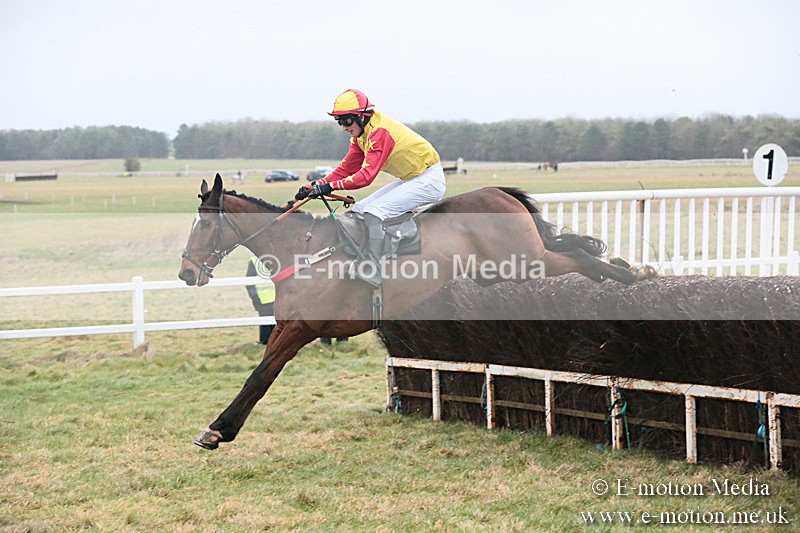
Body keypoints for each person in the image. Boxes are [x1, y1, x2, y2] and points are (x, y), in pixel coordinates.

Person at [295, 88, 446, 287]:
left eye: (346, 120)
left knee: (373, 211)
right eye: (339, 121)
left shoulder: (379, 133)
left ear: (361, 116)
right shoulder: (360, 136)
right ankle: (363, 258)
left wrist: (329, 186)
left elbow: (365, 177)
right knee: (358, 210)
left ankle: (373, 269)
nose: (343, 127)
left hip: (429, 180)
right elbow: (346, 168)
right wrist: (317, 185)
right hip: (411, 178)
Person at [245, 256, 276, 344]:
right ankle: (267, 342)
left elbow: (249, 283)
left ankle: (265, 342)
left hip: (264, 298)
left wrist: (254, 297)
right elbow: (249, 282)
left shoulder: (254, 260)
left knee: (268, 324)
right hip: (268, 298)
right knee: (269, 324)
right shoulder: (275, 257)